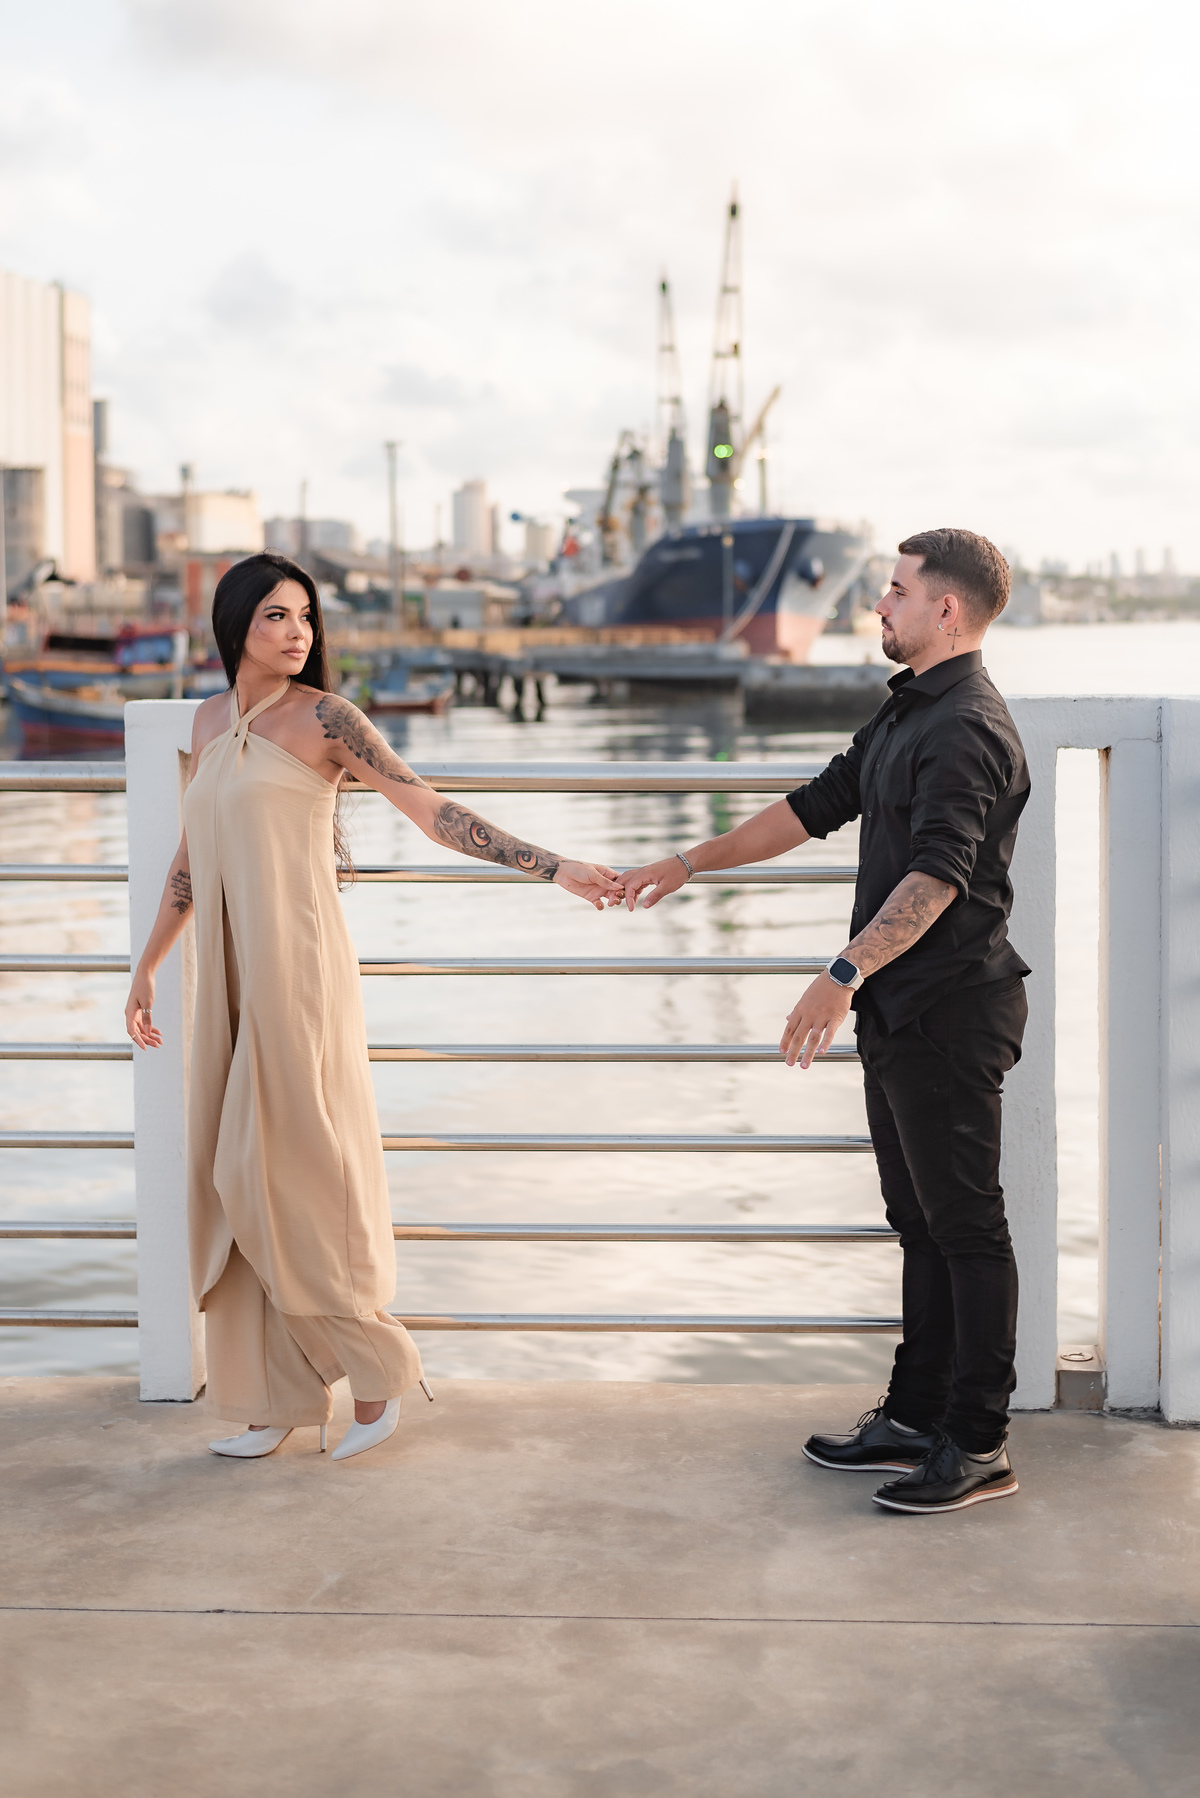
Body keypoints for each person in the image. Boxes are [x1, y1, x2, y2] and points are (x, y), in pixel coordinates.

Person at [125, 552, 623, 1463]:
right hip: (230, 978)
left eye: (306, 617)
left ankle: (379, 1374)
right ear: (235, 622)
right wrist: (148, 966)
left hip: (300, 975)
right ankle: (271, 1396)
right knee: (234, 1179)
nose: (297, 632)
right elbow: (190, 860)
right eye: (277, 615)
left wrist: (554, 867)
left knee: (293, 1175)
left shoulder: (326, 718)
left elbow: (428, 810)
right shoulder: (206, 722)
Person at [620, 529, 1030, 1514]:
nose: (877, 607)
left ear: (948, 610)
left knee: (966, 1227)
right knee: (919, 1223)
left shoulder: (966, 725)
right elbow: (810, 807)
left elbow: (941, 876)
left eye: (895, 593)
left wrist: (840, 971)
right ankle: (916, 1414)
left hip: (950, 1009)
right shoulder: (905, 715)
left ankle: (978, 1442)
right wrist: (688, 862)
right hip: (901, 1007)